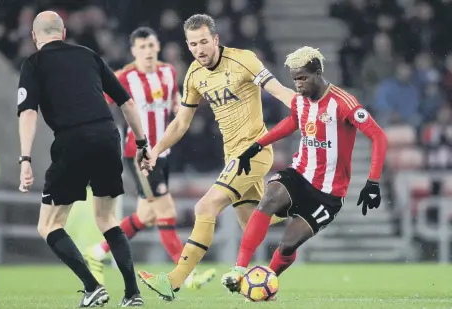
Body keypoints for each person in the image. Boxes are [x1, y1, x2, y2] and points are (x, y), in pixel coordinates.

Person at [137, 14, 297, 301]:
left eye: (203, 42)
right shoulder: (194, 76)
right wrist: (156, 149)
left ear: (215, 39)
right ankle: (297, 214)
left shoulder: (243, 60)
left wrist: (305, 106)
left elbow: (277, 90)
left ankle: (172, 281)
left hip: (254, 151)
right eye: (193, 44)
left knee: (205, 207)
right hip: (232, 157)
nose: (199, 49)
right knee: (253, 224)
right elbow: (181, 123)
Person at [220, 46, 388, 293]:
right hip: (300, 174)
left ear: (318, 73)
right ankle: (239, 269)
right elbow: (292, 122)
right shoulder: (301, 101)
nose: (298, 85)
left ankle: (265, 283)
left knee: (288, 245)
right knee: (269, 198)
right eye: (295, 79)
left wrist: (372, 181)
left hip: (328, 193)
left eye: (303, 78)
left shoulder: (344, 103)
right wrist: (257, 145)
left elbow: (378, 136)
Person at [17, 11, 148, 307]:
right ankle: (132, 294)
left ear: (35, 37)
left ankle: (92, 286)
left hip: (72, 140)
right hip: (107, 135)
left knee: (48, 225)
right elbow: (126, 101)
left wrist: (25, 157)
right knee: (108, 218)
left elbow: (27, 112)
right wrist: (142, 143)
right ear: (63, 33)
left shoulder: (33, 63)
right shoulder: (88, 55)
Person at [84, 26, 215, 289]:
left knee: (146, 215)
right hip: (140, 155)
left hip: (163, 152)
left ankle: (97, 252)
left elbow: (175, 100)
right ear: (134, 51)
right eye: (141, 47)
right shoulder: (124, 77)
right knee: (167, 211)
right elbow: (99, 105)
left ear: (157, 47)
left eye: (150, 46)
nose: (146, 51)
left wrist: (180, 108)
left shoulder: (168, 72)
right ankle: (185, 276)